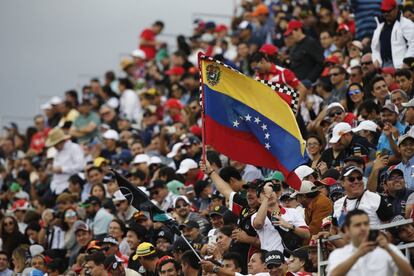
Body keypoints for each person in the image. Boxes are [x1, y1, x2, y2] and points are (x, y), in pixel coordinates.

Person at [327, 209, 413, 276]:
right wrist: (357, 255)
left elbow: (409, 274)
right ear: (347, 229)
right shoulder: (338, 254)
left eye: (366, 224)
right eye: (357, 225)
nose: (363, 228)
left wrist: (388, 249)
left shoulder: (387, 249)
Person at [252, 180, 310, 252]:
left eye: (272, 191)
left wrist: (290, 226)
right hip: (270, 260)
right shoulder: (255, 216)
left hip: (291, 258)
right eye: (264, 193)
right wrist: (267, 197)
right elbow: (258, 223)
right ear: (259, 200)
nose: (269, 194)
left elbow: (307, 234)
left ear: (277, 194)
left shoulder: (293, 212)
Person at [371, 0, 414, 68]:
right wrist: (376, 59)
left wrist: (407, 61)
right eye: (383, 11)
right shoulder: (379, 26)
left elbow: (413, 43)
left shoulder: (406, 24)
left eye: (388, 11)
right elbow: (374, 47)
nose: (386, 14)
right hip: (383, 65)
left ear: (396, 9)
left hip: (400, 66)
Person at [45, 127, 86, 194]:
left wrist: (62, 169)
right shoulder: (57, 152)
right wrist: (51, 168)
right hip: (55, 186)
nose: (54, 146)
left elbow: (81, 166)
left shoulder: (74, 148)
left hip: (67, 185)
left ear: (61, 141)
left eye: (55, 144)